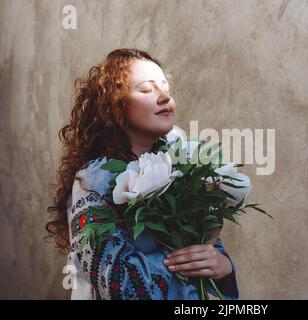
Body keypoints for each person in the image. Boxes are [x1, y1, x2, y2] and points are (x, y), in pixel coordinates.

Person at [46, 48, 239, 300]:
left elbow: (204, 243)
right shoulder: (94, 179)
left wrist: (222, 267)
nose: (163, 97)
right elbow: (115, 282)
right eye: (146, 90)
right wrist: (185, 264)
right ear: (115, 105)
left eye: (165, 88)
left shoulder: (179, 161)